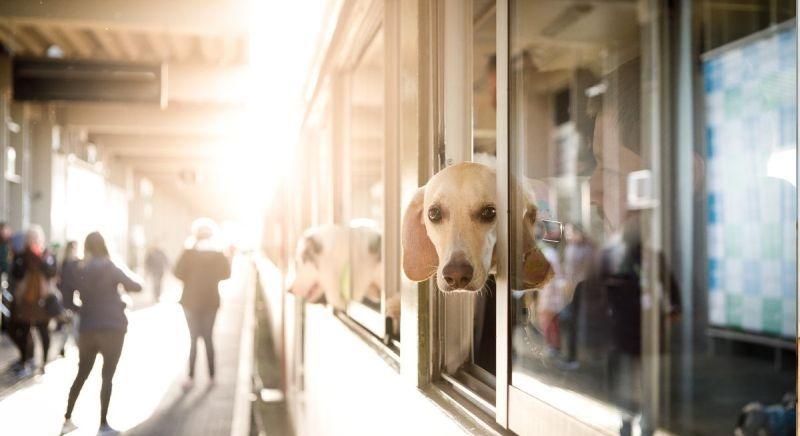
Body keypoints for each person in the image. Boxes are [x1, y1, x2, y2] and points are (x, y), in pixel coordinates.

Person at [62, 232, 143, 435]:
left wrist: (81, 309)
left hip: (88, 328)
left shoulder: (80, 269)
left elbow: (67, 297)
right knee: (107, 376)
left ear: (86, 247)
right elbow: (136, 286)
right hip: (113, 327)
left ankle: (67, 417)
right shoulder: (112, 267)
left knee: (82, 373)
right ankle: (103, 425)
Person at [174, 218, 231, 389]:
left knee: (193, 339)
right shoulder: (219, 254)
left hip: (190, 302)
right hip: (211, 302)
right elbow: (227, 274)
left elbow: (177, 272)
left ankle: (190, 378)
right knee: (208, 339)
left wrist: (192, 279)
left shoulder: (188, 253)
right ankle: (212, 377)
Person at [11, 225, 58, 376]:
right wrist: (26, 260)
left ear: (41, 239)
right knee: (23, 332)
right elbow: (16, 274)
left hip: (43, 301)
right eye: (31, 238)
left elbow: (52, 272)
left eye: (36, 238)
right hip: (26, 300)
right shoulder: (21, 256)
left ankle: (44, 363)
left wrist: (38, 257)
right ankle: (25, 362)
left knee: (44, 332)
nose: (33, 241)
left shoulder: (47, 255)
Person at [57, 241, 80, 356]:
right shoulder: (66, 263)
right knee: (70, 324)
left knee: (72, 324)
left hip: (72, 298)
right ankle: (68, 346)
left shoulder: (74, 262)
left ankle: (68, 346)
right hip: (68, 298)